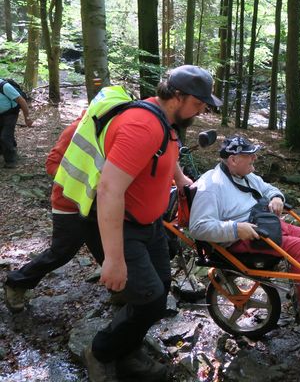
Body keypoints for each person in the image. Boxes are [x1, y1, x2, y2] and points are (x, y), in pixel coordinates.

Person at [63, 65, 220, 382]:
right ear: (177, 96)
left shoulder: (166, 122)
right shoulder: (142, 126)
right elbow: (109, 189)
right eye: (199, 102)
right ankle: (102, 352)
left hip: (148, 225)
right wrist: (114, 259)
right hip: (119, 225)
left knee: (158, 291)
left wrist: (183, 181)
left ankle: (128, 347)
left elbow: (165, 153)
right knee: (147, 297)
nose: (203, 109)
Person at [189, 135, 300, 330]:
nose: (255, 158)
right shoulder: (211, 186)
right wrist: (236, 228)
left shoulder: (246, 175)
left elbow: (268, 188)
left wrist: (276, 197)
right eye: (250, 155)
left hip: (263, 223)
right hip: (240, 237)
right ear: (233, 160)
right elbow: (197, 227)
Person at [4, 113, 105, 313]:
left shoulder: (112, 131)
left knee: (106, 249)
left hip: (95, 205)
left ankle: (124, 289)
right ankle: (17, 282)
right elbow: (52, 164)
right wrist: (85, 185)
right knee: (62, 251)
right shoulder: (77, 130)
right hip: (68, 205)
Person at [0, 78, 33, 168]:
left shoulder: (4, 86)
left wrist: (27, 118)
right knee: (4, 135)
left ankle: (11, 161)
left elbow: (22, 101)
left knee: (5, 137)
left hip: (11, 113)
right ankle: (9, 148)